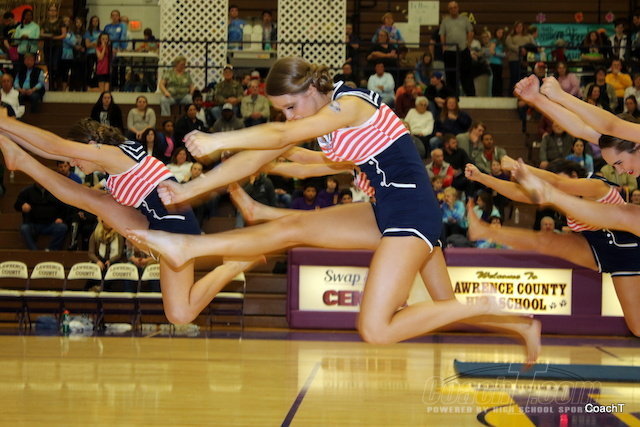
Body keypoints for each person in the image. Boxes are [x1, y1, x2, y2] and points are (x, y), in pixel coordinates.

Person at [127, 57, 541, 361]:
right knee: (441, 303)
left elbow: (279, 138)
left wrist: (219, 140)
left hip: (411, 211)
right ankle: (523, 325)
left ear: (311, 90)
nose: (288, 116)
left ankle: (485, 302)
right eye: (282, 111)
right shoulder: (324, 122)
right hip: (387, 209)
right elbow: (267, 155)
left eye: (290, 107)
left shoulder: (350, 103)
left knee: (376, 328)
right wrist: (192, 187)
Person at [0, 117, 263, 325]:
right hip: (156, 222)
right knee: (91, 200)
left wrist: (6, 121)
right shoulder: (114, 158)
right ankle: (19, 159)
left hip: (176, 228)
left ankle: (234, 265)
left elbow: (54, 146)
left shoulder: (112, 155)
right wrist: (7, 134)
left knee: (180, 314)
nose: (72, 162)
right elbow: (52, 150)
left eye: (74, 156)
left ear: (90, 144)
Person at [465, 159, 640, 336]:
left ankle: (485, 231)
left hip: (628, 248)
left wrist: (518, 167)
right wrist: (481, 177)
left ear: (574, 175)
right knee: (546, 241)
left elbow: (557, 182)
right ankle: (485, 231)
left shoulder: (595, 185)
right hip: (599, 247)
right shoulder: (563, 196)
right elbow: (519, 193)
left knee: (637, 326)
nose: (552, 187)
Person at [14, 181, 68, 251]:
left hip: (51, 224)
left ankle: (51, 250)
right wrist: (22, 206)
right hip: (33, 224)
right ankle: (34, 251)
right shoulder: (26, 191)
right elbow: (16, 205)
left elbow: (64, 208)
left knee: (62, 227)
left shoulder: (55, 192)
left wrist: (60, 218)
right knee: (24, 228)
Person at [439, 1, 475, 96]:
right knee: (450, 74)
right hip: (450, 51)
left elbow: (470, 31)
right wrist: (443, 46)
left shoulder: (465, 19)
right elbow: (442, 34)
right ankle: (452, 95)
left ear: (458, 8)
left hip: (463, 50)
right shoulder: (445, 21)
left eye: (454, 7)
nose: (453, 9)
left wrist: (468, 43)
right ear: (449, 10)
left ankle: (470, 95)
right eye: (451, 8)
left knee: (466, 73)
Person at [84, 16, 101, 91]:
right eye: (93, 21)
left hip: (99, 54)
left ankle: (96, 85)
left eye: (96, 21)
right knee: (90, 69)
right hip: (90, 53)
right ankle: (88, 85)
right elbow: (87, 45)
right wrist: (94, 44)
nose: (95, 22)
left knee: (98, 70)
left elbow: (102, 43)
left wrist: (95, 44)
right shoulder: (88, 32)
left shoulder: (101, 32)